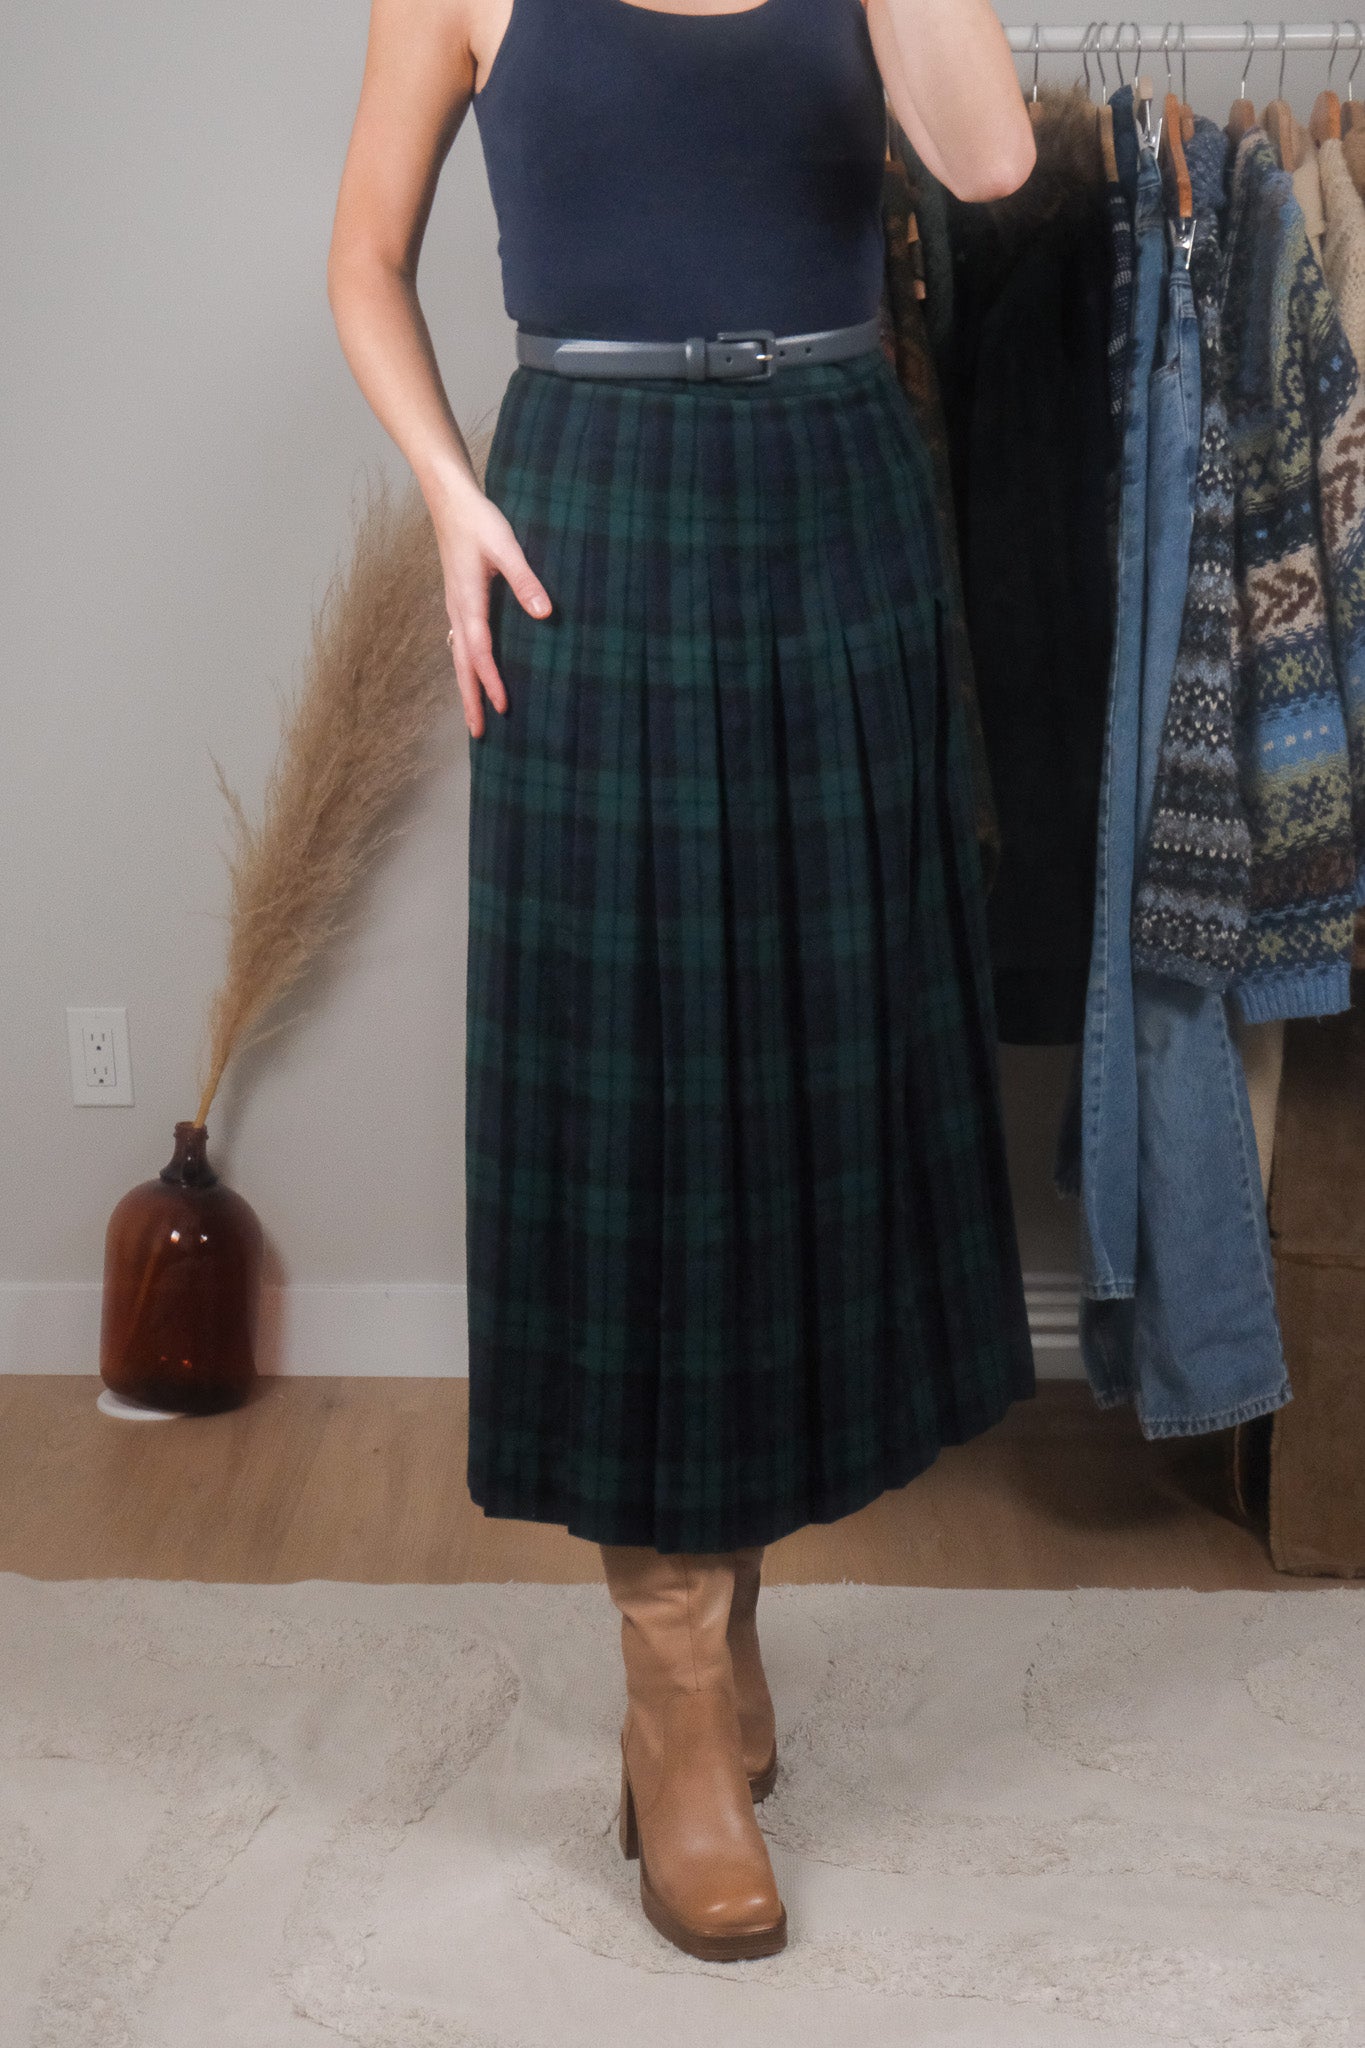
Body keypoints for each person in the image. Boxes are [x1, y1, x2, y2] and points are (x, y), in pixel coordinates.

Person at [328, 0, 1037, 1963]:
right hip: (594, 508)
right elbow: (363, 261)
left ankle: (723, 1633)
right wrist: (449, 490)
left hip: (837, 490)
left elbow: (988, 158)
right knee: (635, 1102)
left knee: (808, 1078)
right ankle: (670, 1696)